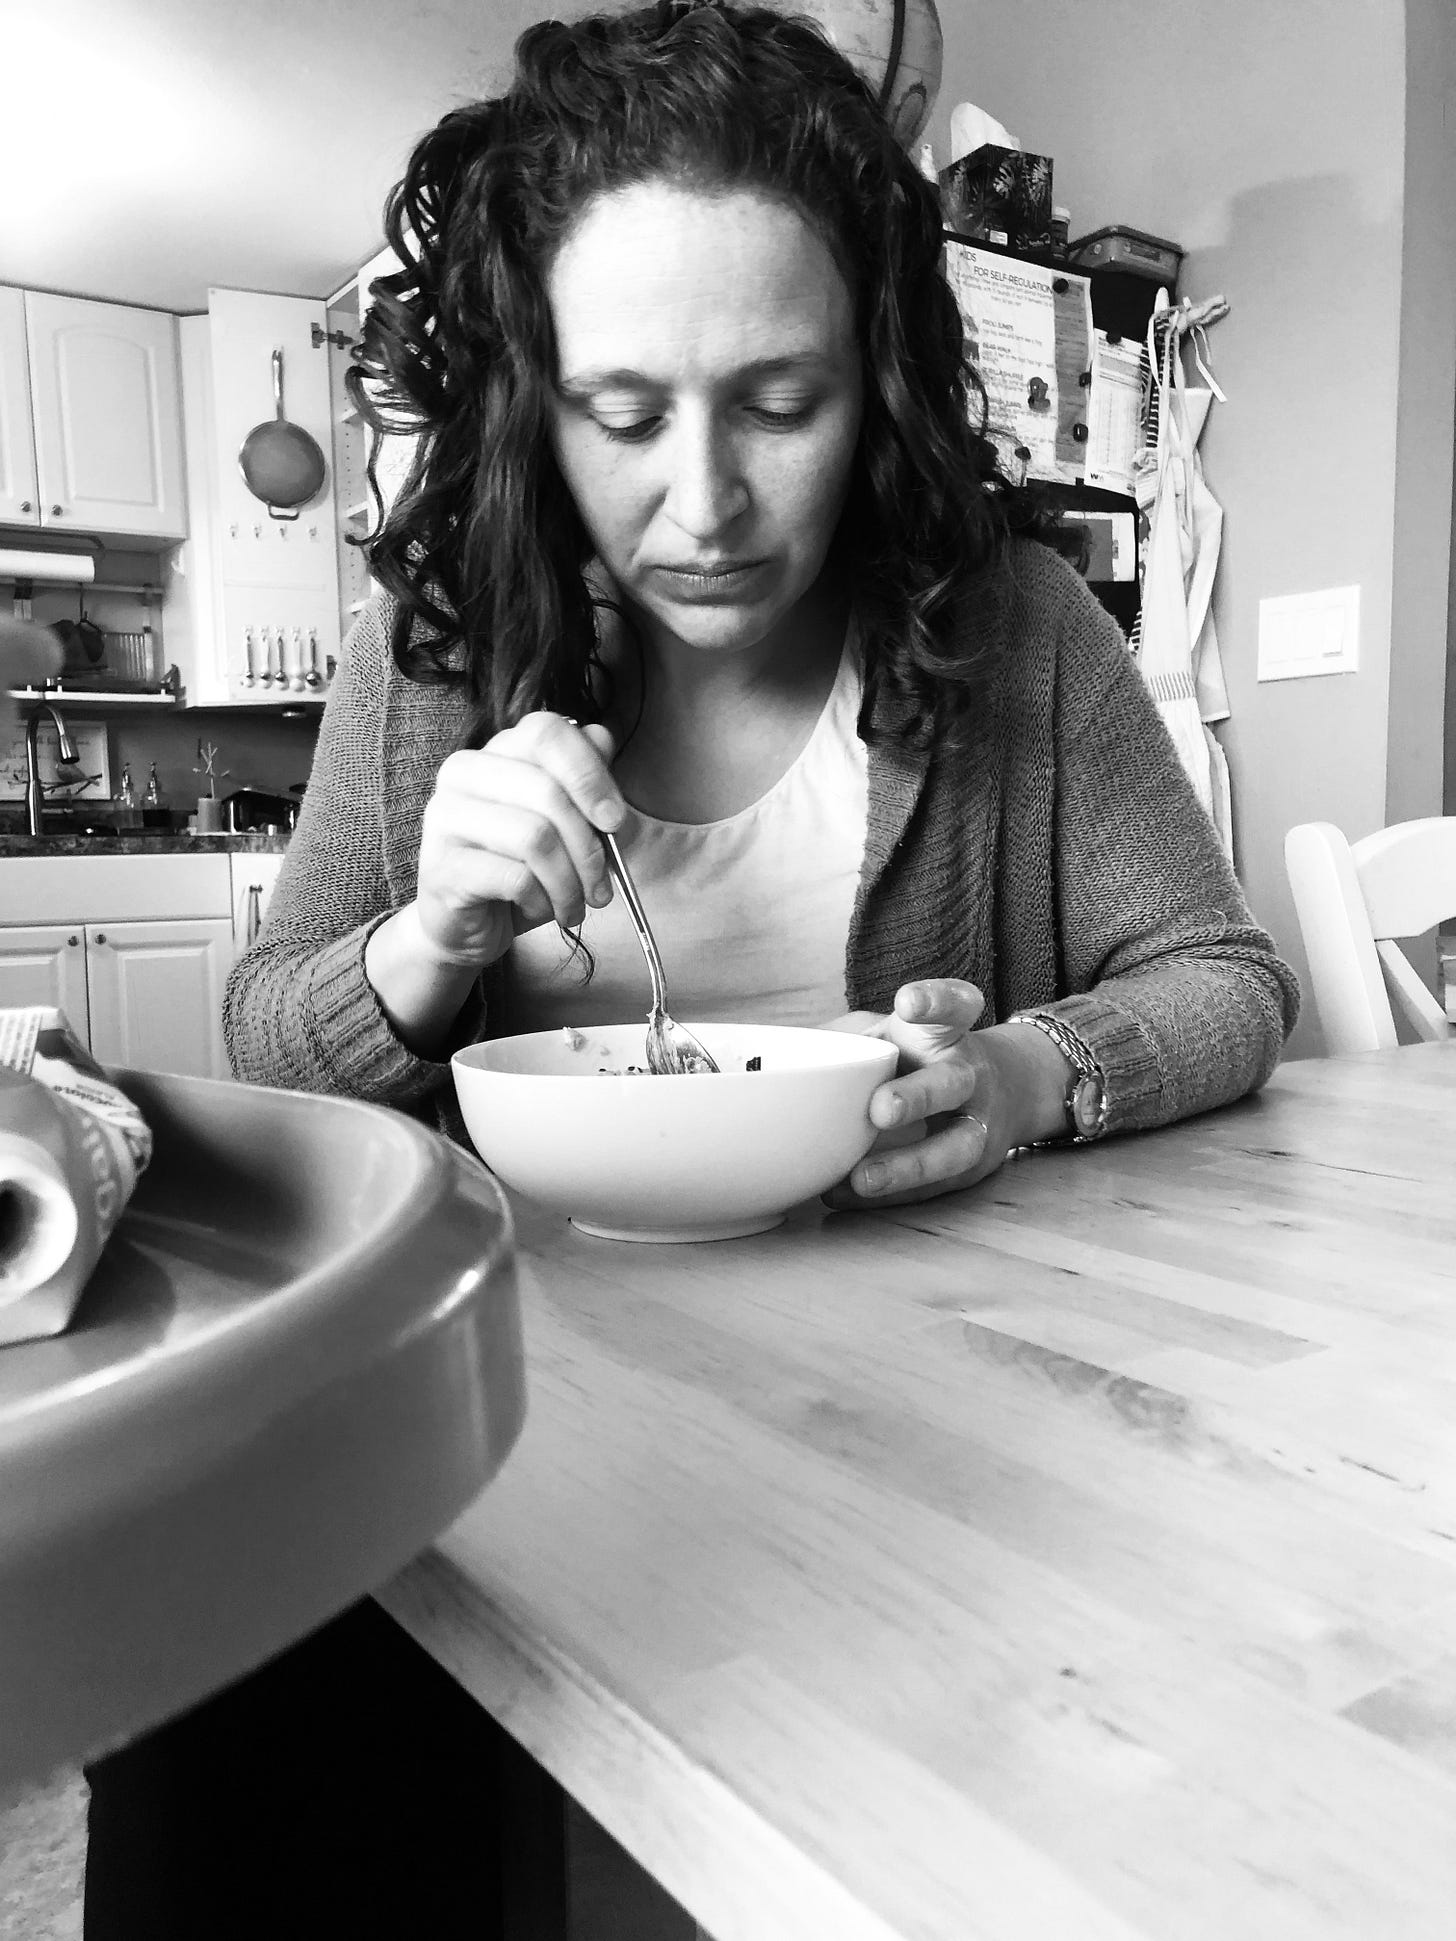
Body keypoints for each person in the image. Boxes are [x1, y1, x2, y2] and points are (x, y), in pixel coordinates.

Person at [85, 3, 1301, 1932]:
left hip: (910, 1437)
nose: (709, 506)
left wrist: (1022, 1076)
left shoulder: (1017, 631)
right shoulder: (428, 662)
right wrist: (424, 941)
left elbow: (1224, 976)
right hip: (487, 1430)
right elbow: (266, 1039)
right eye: (626, 415)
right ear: (534, 402)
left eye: (781, 402)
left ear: (878, 384)